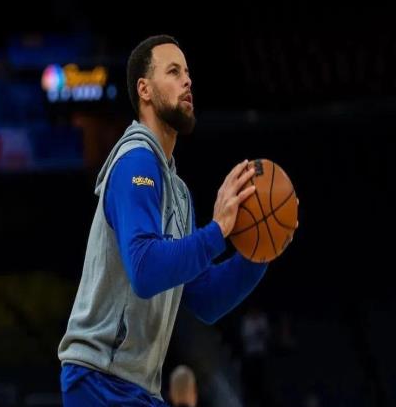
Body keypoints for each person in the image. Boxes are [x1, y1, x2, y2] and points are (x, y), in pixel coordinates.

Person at [58, 34, 272, 406]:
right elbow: (144, 271)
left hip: (134, 387)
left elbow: (204, 298)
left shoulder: (179, 193)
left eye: (187, 73)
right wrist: (219, 230)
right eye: (173, 72)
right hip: (99, 379)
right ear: (144, 89)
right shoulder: (135, 161)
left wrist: (259, 252)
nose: (187, 81)